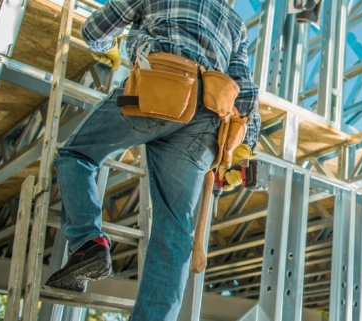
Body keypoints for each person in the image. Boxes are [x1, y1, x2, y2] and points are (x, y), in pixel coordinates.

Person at [43, 0, 260, 319]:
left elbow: (94, 29)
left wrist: (108, 49)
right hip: (208, 117)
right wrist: (242, 150)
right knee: (175, 230)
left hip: (156, 87)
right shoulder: (234, 22)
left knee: (78, 155)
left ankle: (88, 244)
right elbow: (245, 95)